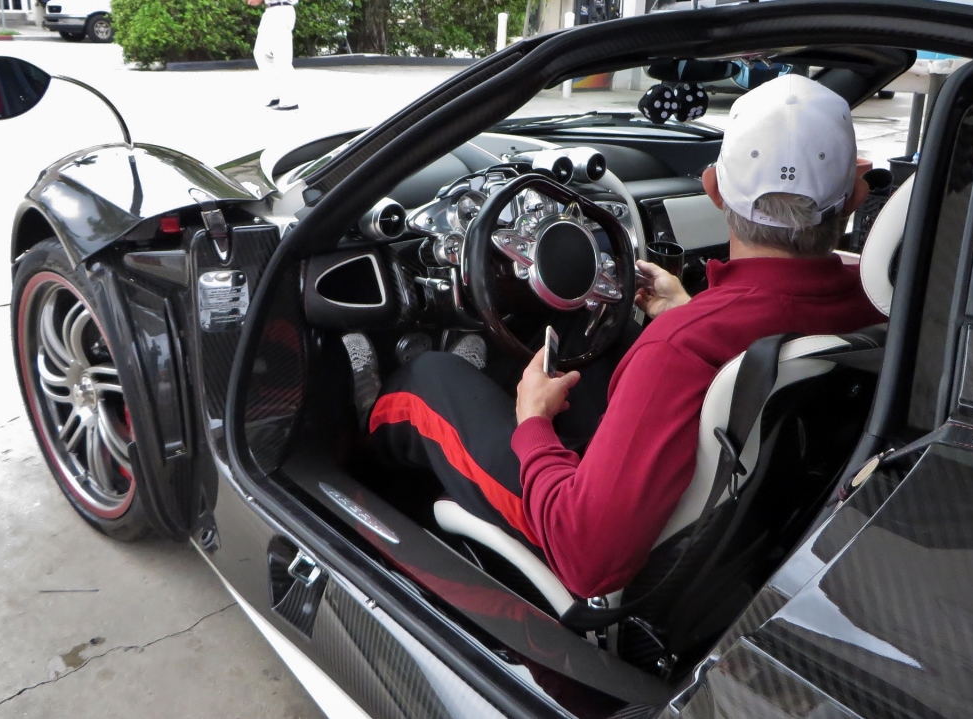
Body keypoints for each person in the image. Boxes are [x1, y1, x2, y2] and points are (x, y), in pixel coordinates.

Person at [370, 75, 888, 599]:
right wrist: (683, 311)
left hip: (609, 556)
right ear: (854, 198)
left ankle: (358, 490)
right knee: (592, 345)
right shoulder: (881, 303)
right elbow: (763, 330)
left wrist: (532, 425)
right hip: (763, 530)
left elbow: (587, 560)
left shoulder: (680, 350)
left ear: (712, 188)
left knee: (428, 380)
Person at [248, 0, 299, 110]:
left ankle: (289, 100)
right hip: (270, 11)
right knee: (261, 53)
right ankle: (276, 94)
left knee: (282, 57)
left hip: (281, 10)